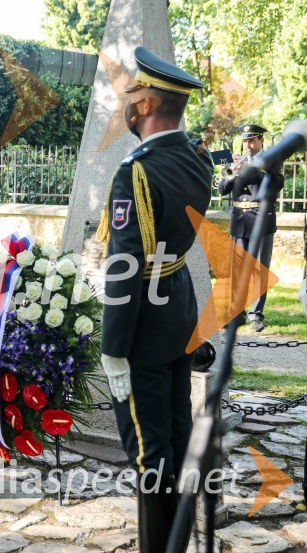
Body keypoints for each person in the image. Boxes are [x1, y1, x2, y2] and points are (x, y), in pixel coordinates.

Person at [97, 47, 213, 552]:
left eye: (131, 96)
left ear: (145, 105)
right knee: (177, 440)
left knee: (148, 454)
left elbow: (124, 268)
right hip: (178, 312)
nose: (125, 104)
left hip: (143, 329)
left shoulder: (135, 172)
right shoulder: (196, 160)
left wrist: (113, 346)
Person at [218, 124, 284, 332]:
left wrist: (250, 171)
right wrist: (231, 174)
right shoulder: (236, 161)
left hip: (261, 219)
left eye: (252, 140)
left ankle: (256, 314)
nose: (249, 144)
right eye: (246, 140)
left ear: (261, 140)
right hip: (239, 219)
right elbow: (222, 190)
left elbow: (275, 185)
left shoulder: (272, 160)